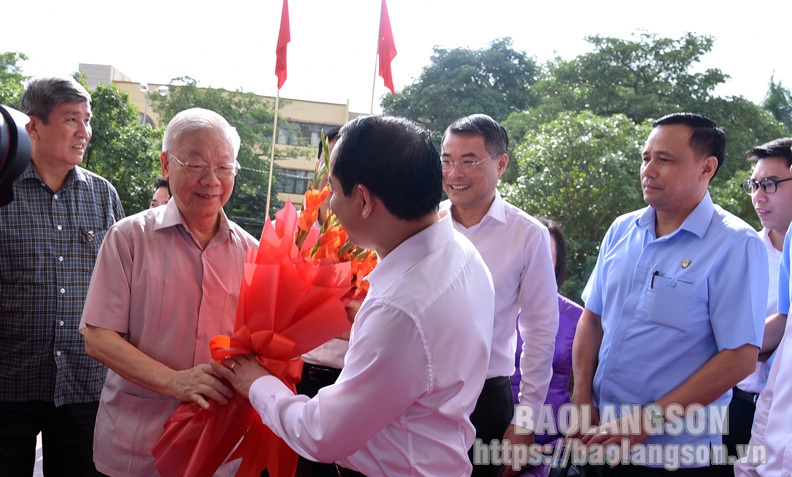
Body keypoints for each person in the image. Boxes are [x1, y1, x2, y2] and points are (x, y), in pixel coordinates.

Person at [211, 114, 495, 476]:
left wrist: (258, 384)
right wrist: (366, 327)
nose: (328, 205)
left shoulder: (400, 310)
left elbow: (322, 434)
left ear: (363, 199)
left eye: (332, 189)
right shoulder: (463, 253)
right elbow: (428, 356)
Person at [572, 112, 767, 475]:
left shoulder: (734, 244)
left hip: (675, 457)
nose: (648, 170)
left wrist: (645, 423)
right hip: (599, 442)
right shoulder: (622, 229)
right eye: (646, 158)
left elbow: (739, 356)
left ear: (706, 168)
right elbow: (592, 318)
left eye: (665, 160)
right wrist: (582, 396)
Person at [79, 107, 258, 476]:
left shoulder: (252, 253)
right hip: (136, 448)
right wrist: (176, 381)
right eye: (195, 164)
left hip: (218, 449)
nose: (211, 180)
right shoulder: (128, 239)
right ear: (165, 165)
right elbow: (98, 338)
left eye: (224, 167)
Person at [0, 77, 124, 476]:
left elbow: (123, 288)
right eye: (72, 119)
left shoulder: (103, 196)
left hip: (83, 385)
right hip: (9, 386)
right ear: (32, 127)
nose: (84, 132)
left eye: (87, 120)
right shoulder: (3, 189)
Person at [439, 113, 558, 476]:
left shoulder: (528, 235)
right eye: (447, 161)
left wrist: (526, 419)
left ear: (501, 163)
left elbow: (540, 332)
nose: (455, 173)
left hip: (486, 398)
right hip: (419, 393)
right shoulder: (425, 226)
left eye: (469, 161)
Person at [724, 138, 792, 457]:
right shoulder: (739, 252)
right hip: (737, 405)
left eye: (770, 184)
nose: (758, 196)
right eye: (753, 185)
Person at [510, 218, 583, 477]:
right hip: (492, 431)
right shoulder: (495, 307)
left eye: (544, 254)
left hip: (549, 440)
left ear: (557, 263)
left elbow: (588, 388)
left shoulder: (578, 318)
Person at [295, 126, 345, 477]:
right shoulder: (297, 228)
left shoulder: (379, 236)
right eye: (328, 160)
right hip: (297, 381)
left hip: (348, 384)